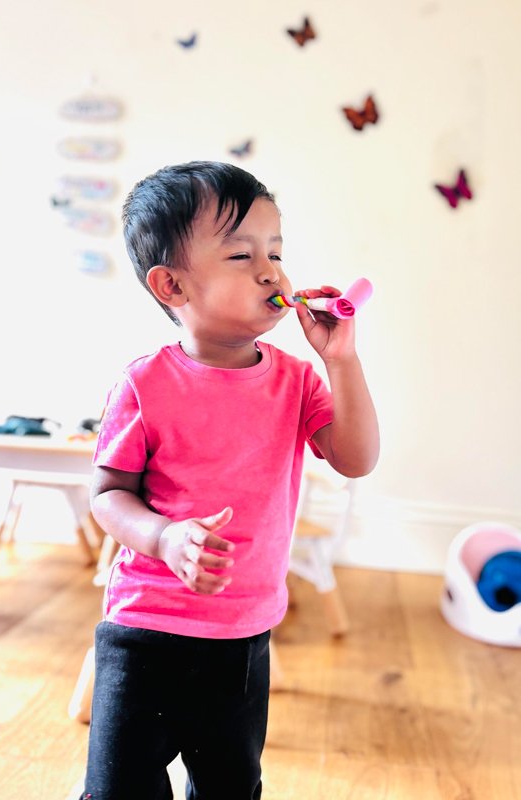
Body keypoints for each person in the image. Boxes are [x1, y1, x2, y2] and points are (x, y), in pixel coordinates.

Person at [80, 161, 379, 800]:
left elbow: (355, 458)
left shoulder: (297, 381)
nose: (271, 272)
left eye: (276, 252)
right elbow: (107, 495)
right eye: (242, 255)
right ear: (172, 285)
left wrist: (342, 360)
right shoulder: (143, 384)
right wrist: (164, 538)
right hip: (145, 631)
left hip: (242, 638)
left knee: (230, 788)